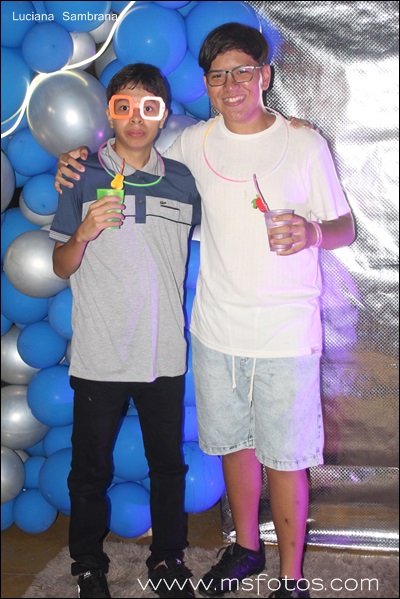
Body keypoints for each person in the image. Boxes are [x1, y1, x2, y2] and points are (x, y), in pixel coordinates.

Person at [55, 22, 356, 599]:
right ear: (207, 85)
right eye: (218, 76)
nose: (231, 84)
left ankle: (291, 580)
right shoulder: (193, 144)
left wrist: (314, 232)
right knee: (233, 447)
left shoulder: (304, 142)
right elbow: (131, 150)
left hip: (287, 332)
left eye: (243, 71)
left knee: (286, 457)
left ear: (265, 75)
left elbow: (345, 227)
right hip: (216, 330)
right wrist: (75, 160)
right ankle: (246, 549)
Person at [49, 63, 201, 599]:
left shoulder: (183, 181)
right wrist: (83, 233)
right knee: (90, 471)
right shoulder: (80, 175)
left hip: (164, 353)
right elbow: (60, 266)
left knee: (168, 467)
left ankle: (167, 560)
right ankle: (88, 566)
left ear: (163, 116)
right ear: (109, 113)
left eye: (148, 108)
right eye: (124, 106)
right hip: (100, 352)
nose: (136, 118)